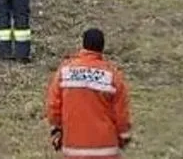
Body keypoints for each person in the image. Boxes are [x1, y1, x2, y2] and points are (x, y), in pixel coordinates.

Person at [46, 28, 134, 157]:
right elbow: (121, 113)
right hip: (106, 149)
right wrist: (123, 136)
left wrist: (57, 129)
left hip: (73, 147)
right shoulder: (112, 76)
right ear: (102, 48)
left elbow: (53, 106)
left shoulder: (65, 72)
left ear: (83, 45)